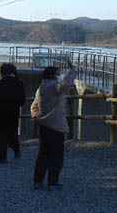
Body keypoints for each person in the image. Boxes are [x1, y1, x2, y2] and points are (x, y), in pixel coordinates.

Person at [31, 58, 77, 191]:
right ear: (53, 75)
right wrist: (72, 71)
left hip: (43, 125)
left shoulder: (41, 88)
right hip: (55, 126)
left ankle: (37, 181)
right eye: (58, 73)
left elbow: (34, 106)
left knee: (43, 154)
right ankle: (52, 182)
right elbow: (65, 85)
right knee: (57, 156)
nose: (60, 75)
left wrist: (36, 117)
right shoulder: (53, 87)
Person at [0, 63, 25, 163]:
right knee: (12, 134)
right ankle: (16, 150)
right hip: (13, 114)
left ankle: (2, 157)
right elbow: (22, 101)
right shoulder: (19, 83)